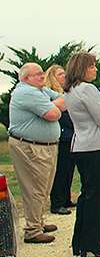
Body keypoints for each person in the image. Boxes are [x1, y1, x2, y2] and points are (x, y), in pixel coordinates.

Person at [64, 52, 100, 257]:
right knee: (96, 196)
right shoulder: (88, 89)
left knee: (86, 194)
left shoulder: (70, 90)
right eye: (92, 66)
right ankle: (93, 244)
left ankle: (80, 241)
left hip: (80, 145)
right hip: (94, 145)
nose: (95, 70)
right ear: (83, 68)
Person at [8, 62, 64, 243]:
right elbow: (53, 114)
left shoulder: (40, 91)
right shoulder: (26, 92)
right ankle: (32, 230)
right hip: (30, 147)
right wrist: (53, 106)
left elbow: (64, 100)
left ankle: (38, 221)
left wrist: (53, 105)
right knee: (34, 188)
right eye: (38, 74)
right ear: (26, 78)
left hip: (45, 146)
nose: (42, 76)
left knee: (44, 186)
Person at [45, 65, 77, 215]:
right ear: (53, 77)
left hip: (71, 136)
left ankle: (66, 198)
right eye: (60, 74)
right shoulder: (51, 95)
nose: (64, 76)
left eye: (64, 73)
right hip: (61, 135)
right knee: (60, 170)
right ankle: (57, 202)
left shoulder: (66, 93)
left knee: (69, 169)